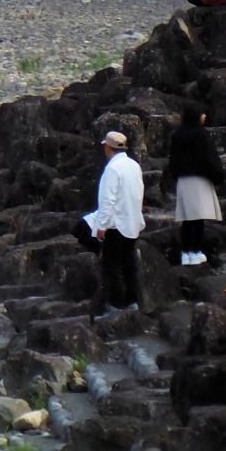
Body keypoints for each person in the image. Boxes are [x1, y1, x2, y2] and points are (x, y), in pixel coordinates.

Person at [78, 131, 144, 315]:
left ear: (108, 148)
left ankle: (117, 303)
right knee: (129, 263)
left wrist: (101, 226)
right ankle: (132, 301)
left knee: (112, 266)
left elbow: (107, 200)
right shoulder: (134, 165)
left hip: (116, 224)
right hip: (132, 221)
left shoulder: (112, 169)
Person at [164, 108, 223, 267]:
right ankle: (195, 251)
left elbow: (173, 160)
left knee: (187, 219)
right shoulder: (201, 134)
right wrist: (218, 175)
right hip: (200, 179)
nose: (204, 116)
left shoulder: (177, 135)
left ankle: (186, 252)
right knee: (198, 219)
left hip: (184, 180)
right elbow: (209, 158)